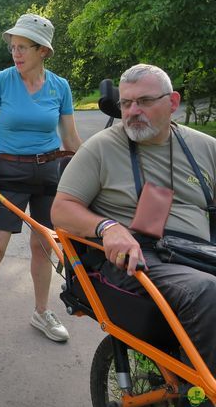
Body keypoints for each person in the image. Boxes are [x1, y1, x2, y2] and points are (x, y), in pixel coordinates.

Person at [52, 64, 216, 377]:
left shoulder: (205, 148)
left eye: (144, 101)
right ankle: (201, 396)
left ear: (172, 102)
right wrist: (107, 227)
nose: (132, 111)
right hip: (137, 259)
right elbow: (61, 209)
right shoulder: (101, 147)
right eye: (126, 104)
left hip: (198, 254)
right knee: (207, 292)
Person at [0, 14, 82, 352]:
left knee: (43, 248)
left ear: (43, 50)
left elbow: (71, 137)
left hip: (50, 174)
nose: (16, 53)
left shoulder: (60, 86)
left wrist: (93, 170)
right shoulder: (2, 81)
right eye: (13, 47)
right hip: (10, 173)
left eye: (23, 47)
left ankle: (42, 312)